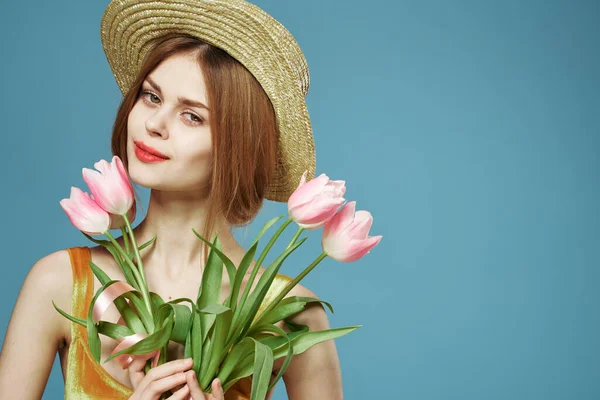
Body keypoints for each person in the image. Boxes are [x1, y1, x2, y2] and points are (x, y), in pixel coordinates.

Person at [0, 0, 343, 399]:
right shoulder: (59, 283)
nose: (154, 124)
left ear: (239, 147)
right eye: (151, 97)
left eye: (192, 116)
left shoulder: (292, 312)